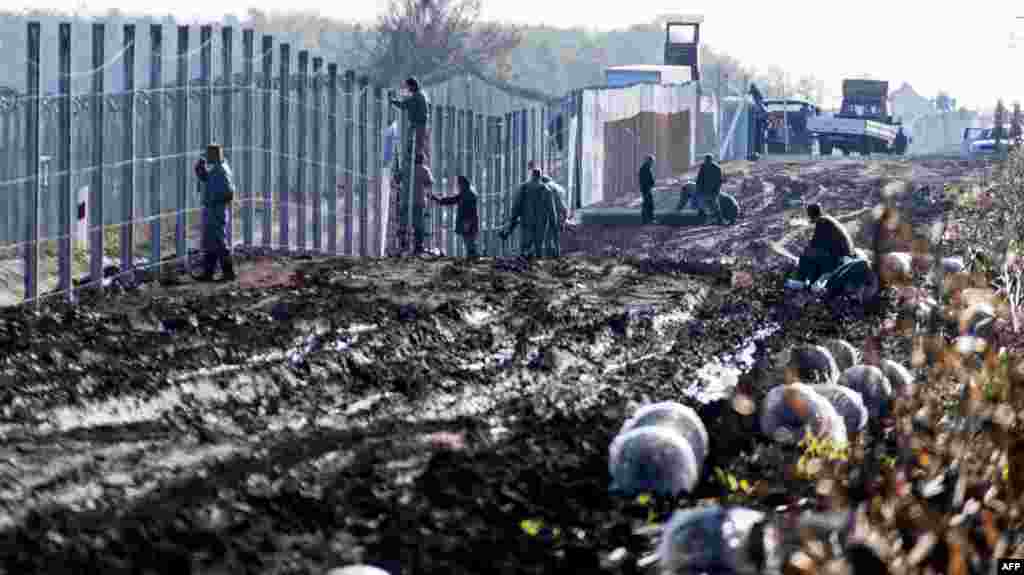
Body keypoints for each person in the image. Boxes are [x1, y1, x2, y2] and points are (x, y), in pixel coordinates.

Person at [193, 144, 236, 281]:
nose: (207, 157)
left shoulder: (221, 171)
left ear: (215, 155)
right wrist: (201, 173)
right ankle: (208, 273)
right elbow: (210, 181)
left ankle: (228, 272)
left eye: (209, 155)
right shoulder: (218, 169)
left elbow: (229, 192)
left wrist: (215, 201)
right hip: (213, 208)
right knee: (210, 241)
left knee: (218, 241)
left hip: (217, 210)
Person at [501, 168, 560, 258]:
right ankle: (536, 268)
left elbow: (516, 207)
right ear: (540, 177)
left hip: (526, 223)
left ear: (531, 176)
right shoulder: (546, 190)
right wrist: (554, 227)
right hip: (540, 225)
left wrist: (511, 223)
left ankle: (524, 267)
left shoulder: (523, 188)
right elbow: (552, 212)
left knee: (525, 248)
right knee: (538, 249)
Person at [798, 203, 856, 285]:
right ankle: (813, 282)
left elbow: (815, 243)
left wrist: (807, 243)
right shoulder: (827, 219)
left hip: (840, 256)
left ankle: (800, 282)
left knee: (807, 254)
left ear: (810, 214)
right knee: (815, 254)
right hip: (846, 254)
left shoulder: (822, 221)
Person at [431, 175, 479, 258]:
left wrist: (467, 222)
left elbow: (454, 201)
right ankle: (472, 257)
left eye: (459, 184)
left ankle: (473, 257)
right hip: (469, 221)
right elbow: (452, 200)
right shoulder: (467, 193)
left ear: (463, 184)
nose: (458, 186)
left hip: (467, 221)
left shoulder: (467, 194)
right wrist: (438, 199)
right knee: (469, 240)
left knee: (469, 240)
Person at [389, 76, 430, 162]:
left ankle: (415, 165)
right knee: (418, 147)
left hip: (417, 125)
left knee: (414, 148)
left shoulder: (416, 96)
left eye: (408, 86)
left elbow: (403, 105)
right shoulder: (420, 95)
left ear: (413, 86)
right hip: (420, 124)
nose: (407, 89)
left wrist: (392, 100)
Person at [410, 152, 434, 254]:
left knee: (407, 223)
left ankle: (404, 244)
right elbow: (430, 182)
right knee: (419, 225)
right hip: (419, 200)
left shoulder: (407, 168)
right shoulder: (424, 169)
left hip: (406, 201)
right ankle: (418, 246)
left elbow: (397, 179)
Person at [695, 153, 723, 224]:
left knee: (715, 206)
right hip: (703, 190)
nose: (707, 161)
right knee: (701, 206)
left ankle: (719, 220)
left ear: (711, 160)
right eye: (706, 160)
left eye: (708, 160)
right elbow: (699, 179)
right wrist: (698, 189)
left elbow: (719, 181)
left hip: (713, 191)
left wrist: (717, 191)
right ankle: (701, 221)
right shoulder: (703, 167)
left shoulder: (717, 168)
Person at [638, 155, 656, 224]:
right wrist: (650, 185)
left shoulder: (645, 168)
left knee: (647, 203)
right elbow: (646, 180)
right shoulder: (645, 168)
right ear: (648, 161)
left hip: (646, 188)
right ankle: (648, 219)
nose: (652, 163)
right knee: (648, 204)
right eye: (651, 161)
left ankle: (647, 219)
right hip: (646, 189)